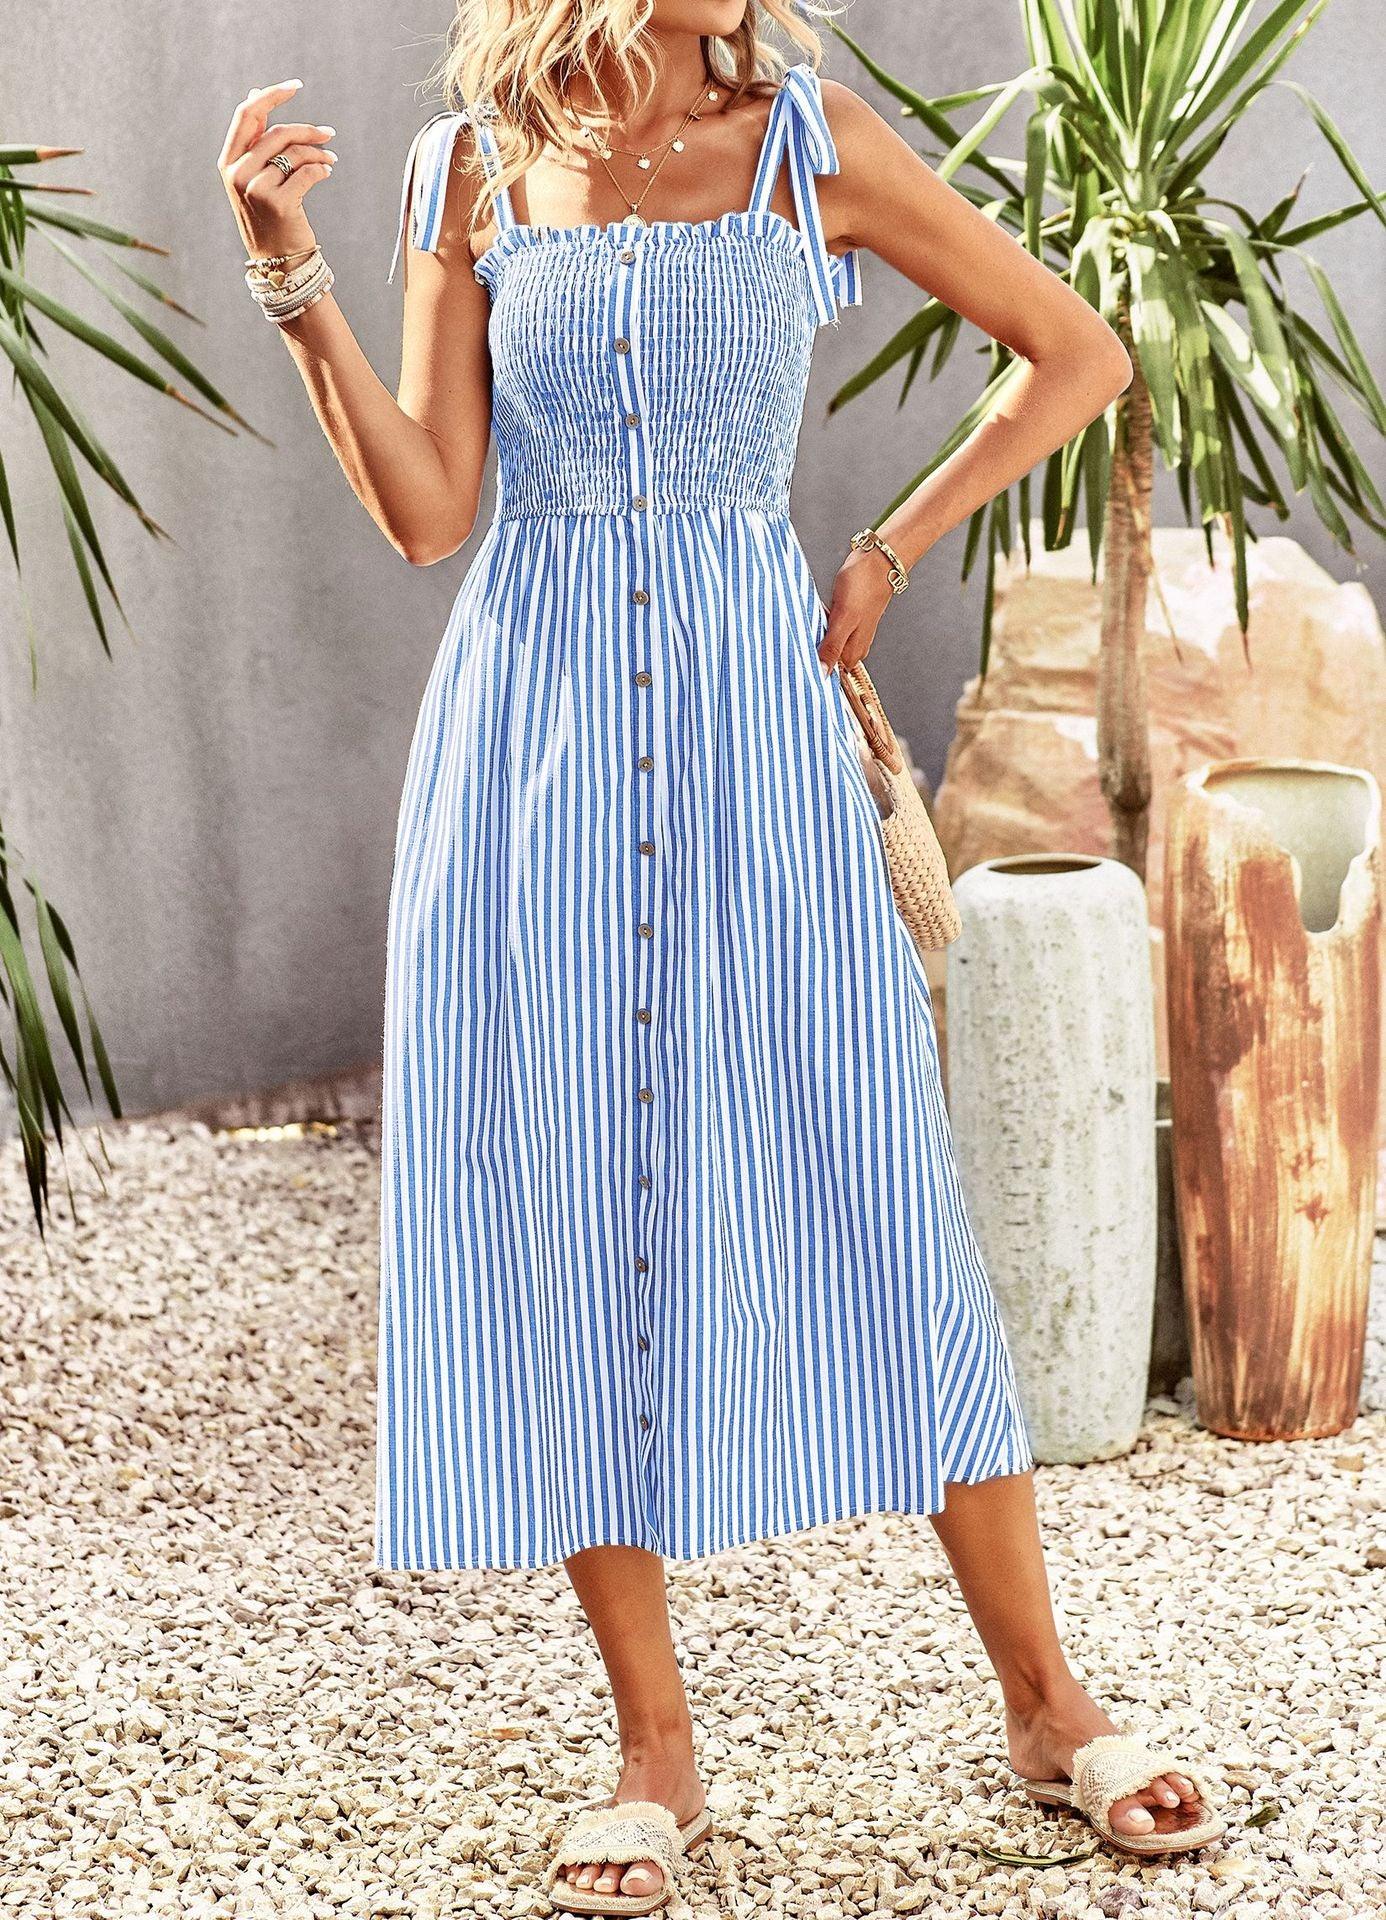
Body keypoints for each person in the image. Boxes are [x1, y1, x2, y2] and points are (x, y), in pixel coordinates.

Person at [218, 2, 1224, 1909]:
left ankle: (1045, 1703)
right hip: (531, 750)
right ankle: (653, 1750)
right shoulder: (471, 166)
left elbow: (1077, 354)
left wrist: (885, 552)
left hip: (754, 734)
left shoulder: (807, 142)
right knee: (569, 1201)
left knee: (875, 1180)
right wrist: (293, 279)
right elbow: (433, 514)